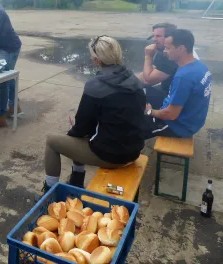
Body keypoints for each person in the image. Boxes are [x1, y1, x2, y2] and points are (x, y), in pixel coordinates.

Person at [41, 36, 146, 193]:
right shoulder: (134, 80)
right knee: (80, 136)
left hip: (112, 156)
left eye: (92, 55)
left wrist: (72, 133)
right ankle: (76, 181)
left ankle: (50, 192)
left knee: (53, 141)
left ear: (97, 60)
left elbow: (82, 127)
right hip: (134, 150)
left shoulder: (96, 85)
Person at [144, 29, 211, 139]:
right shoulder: (199, 65)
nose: (165, 51)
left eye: (168, 48)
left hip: (178, 127)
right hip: (191, 119)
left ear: (181, 49)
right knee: (143, 92)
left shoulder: (184, 77)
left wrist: (150, 111)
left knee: (132, 128)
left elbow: (171, 114)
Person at [137, 23, 178, 108]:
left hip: (174, 97)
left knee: (136, 98)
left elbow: (149, 80)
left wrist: (148, 56)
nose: (155, 40)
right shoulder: (165, 49)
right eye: (154, 36)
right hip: (167, 88)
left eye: (158, 36)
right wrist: (130, 80)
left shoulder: (170, 55)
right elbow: (154, 70)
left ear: (169, 37)